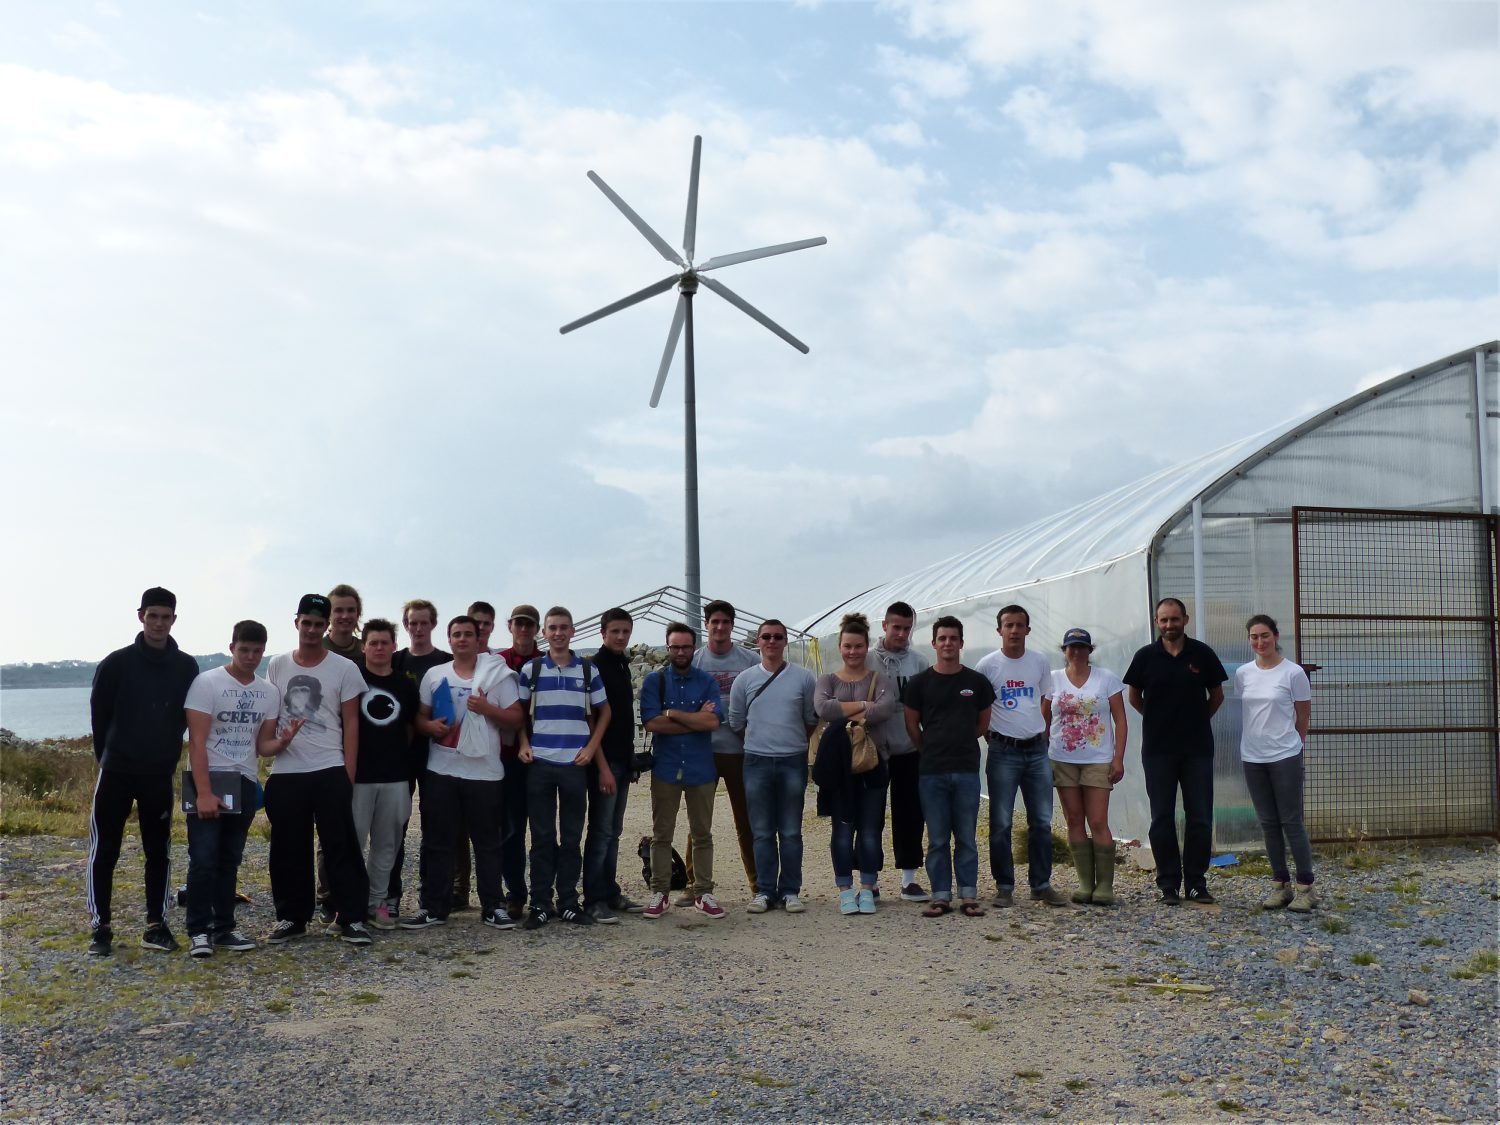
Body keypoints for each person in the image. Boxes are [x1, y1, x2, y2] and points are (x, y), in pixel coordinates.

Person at [86, 587, 200, 956]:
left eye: (165, 617)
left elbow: (188, 717)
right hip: (116, 770)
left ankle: (155, 924)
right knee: (105, 848)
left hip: (157, 774)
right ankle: (100, 926)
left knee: (158, 850)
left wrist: (165, 754)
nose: (158, 623)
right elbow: (99, 716)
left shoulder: (186, 666)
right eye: (152, 616)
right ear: (141, 617)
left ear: (174, 620)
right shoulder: (116, 663)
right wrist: (107, 756)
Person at [264, 594, 373, 945]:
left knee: (340, 845)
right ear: (296, 623)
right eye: (305, 622)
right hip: (287, 770)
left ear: (326, 626)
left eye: (318, 623)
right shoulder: (277, 665)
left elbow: (352, 723)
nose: (311, 629)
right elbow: (268, 714)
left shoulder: (343, 668)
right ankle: (292, 917)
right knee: (287, 848)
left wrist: (349, 773)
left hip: (329, 767)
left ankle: (351, 917)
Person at [403, 616, 522, 930]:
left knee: (487, 844)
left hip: (484, 772)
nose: (463, 640)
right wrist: (429, 727)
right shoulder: (435, 674)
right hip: (441, 769)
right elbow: (420, 719)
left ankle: (493, 906)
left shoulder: (497, 674)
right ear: (450, 639)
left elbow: (516, 718)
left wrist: (488, 710)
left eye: (468, 634)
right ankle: (433, 907)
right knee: (438, 842)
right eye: (457, 635)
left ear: (479, 637)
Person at [183, 620, 294, 956]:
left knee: (229, 859)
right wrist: (203, 792)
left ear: (264, 651)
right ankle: (198, 930)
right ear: (232, 648)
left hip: (243, 781)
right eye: (244, 649)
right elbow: (197, 743)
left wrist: (284, 741)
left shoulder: (268, 692)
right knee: (203, 858)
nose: (250, 656)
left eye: (257, 650)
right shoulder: (207, 683)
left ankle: (224, 927)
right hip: (208, 778)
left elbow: (262, 746)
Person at [1123, 597, 1228, 906]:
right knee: (1162, 818)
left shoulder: (1202, 654)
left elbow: (1218, 695)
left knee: (1200, 817)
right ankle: (1168, 884)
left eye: (1175, 619)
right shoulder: (1145, 657)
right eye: (1164, 620)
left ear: (1185, 619)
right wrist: (1158, 721)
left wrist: (1196, 721)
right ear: (1157, 622)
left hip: (1197, 749)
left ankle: (1196, 882)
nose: (1170, 624)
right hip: (1158, 750)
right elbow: (1134, 697)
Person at [517, 607, 611, 929]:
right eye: (552, 628)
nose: (558, 633)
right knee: (542, 837)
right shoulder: (531, 669)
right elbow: (519, 713)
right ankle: (540, 903)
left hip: (574, 763)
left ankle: (568, 901)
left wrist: (591, 747)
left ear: (572, 632)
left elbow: (604, 713)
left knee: (571, 837)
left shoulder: (587, 671)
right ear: (544, 632)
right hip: (540, 763)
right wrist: (523, 744)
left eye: (564, 627)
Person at [902, 616, 995, 918]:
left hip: (966, 769)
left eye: (953, 638)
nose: (947, 644)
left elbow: (983, 723)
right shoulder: (920, 684)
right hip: (932, 771)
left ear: (961, 643)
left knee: (966, 836)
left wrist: (963, 741)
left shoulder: (976, 682)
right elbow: (911, 724)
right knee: (938, 837)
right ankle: (940, 895)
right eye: (942, 639)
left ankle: (968, 895)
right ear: (933, 643)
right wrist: (926, 748)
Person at [975, 605, 1067, 908]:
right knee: (1000, 822)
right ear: (999, 630)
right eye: (1008, 625)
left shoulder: (1039, 662)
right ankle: (1004, 886)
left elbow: (1045, 697)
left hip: (1036, 752)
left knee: (1041, 821)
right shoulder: (987, 666)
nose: (1014, 630)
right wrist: (989, 731)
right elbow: (979, 705)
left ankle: (1041, 885)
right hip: (1003, 752)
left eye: (1019, 625)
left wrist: (1041, 730)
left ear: (1028, 630)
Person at [728, 619, 818, 914]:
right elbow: (737, 721)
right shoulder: (744, 679)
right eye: (766, 636)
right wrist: (760, 742)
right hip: (756, 760)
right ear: (758, 641)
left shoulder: (804, 678)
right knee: (762, 830)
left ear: (785, 641)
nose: (772, 641)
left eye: (778, 637)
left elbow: (810, 718)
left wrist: (791, 743)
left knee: (791, 830)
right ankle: (765, 890)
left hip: (792, 760)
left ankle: (791, 890)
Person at [639, 622, 724, 919]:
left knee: (702, 833)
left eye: (686, 646)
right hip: (667, 766)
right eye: (675, 647)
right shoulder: (655, 681)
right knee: (662, 834)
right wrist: (695, 718)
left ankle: (703, 892)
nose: (680, 652)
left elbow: (713, 723)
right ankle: (660, 892)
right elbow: (652, 723)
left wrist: (673, 713)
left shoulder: (706, 681)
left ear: (693, 647)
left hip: (700, 767)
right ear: (667, 647)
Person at [812, 613, 895, 915]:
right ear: (840, 646)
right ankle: (845, 888)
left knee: (871, 830)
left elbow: (885, 709)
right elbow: (823, 708)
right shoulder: (828, 679)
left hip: (874, 765)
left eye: (858, 646)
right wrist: (863, 706)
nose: (853, 652)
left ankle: (868, 886)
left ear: (866, 646)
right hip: (838, 770)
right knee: (842, 830)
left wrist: (845, 711)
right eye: (847, 646)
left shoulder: (879, 678)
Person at [1041, 628, 1127, 906]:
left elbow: (1120, 721)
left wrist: (1118, 758)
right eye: (1071, 647)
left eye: (1081, 647)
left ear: (1090, 650)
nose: (1076, 652)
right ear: (1064, 650)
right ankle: (1085, 882)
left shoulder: (1106, 679)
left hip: (1098, 759)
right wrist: (1042, 755)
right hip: (1062, 759)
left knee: (1098, 820)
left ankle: (1105, 885)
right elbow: (1042, 720)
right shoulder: (1052, 680)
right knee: (1074, 820)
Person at [1235, 614, 1316, 912]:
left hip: (1284, 755)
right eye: (1254, 637)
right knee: (1268, 823)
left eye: (1265, 636)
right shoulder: (1243, 673)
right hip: (1253, 756)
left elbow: (1303, 715)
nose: (1260, 642)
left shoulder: (1292, 673)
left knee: (1291, 821)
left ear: (1276, 637)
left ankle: (1306, 887)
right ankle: (1279, 885)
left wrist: (1295, 745)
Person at [687, 599, 759, 902]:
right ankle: (695, 884)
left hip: (740, 751)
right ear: (706, 625)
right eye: (714, 622)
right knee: (699, 821)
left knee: (747, 821)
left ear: (732, 625)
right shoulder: (695, 661)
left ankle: (758, 884)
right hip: (704, 750)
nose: (719, 627)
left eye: (725, 622)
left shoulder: (749, 660)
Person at [352, 619, 421, 929]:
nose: (379, 648)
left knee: (387, 844)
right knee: (353, 843)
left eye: (385, 643)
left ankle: (378, 903)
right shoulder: (352, 681)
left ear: (394, 646)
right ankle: (349, 905)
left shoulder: (406, 685)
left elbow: (409, 729)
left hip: (396, 776)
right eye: (373, 642)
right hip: (359, 776)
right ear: (364, 645)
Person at [389, 598, 451, 914]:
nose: (418, 628)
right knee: (394, 828)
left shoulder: (446, 661)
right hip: (400, 756)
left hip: (438, 755)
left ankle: (432, 900)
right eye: (413, 622)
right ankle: (389, 899)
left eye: (423, 622)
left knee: (435, 829)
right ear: (406, 625)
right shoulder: (395, 661)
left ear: (433, 625)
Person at [582, 608, 643, 923]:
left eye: (626, 632)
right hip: (603, 762)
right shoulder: (596, 667)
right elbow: (592, 721)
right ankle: (593, 898)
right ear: (603, 633)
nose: (621, 637)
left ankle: (609, 890)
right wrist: (603, 766)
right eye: (615, 631)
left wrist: (630, 759)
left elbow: (623, 719)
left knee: (614, 831)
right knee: (601, 830)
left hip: (621, 759)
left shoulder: (621, 664)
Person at [873, 601, 931, 902]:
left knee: (909, 814)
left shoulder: (919, 664)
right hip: (874, 751)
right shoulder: (868, 660)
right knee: (870, 816)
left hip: (909, 749)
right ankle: (869, 880)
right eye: (896, 627)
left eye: (907, 628)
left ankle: (909, 879)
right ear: (884, 626)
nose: (901, 633)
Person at [497, 604, 542, 918]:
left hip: (546, 756)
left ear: (537, 628)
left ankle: (543, 894)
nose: (524, 630)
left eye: (529, 625)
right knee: (511, 830)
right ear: (510, 626)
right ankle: (515, 892)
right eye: (519, 624)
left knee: (543, 831)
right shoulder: (498, 663)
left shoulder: (548, 661)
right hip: (509, 759)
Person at [324, 584, 364, 663]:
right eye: (339, 610)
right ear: (328, 615)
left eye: (350, 610)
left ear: (358, 614)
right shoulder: (317, 650)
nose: (345, 616)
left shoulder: (367, 652)